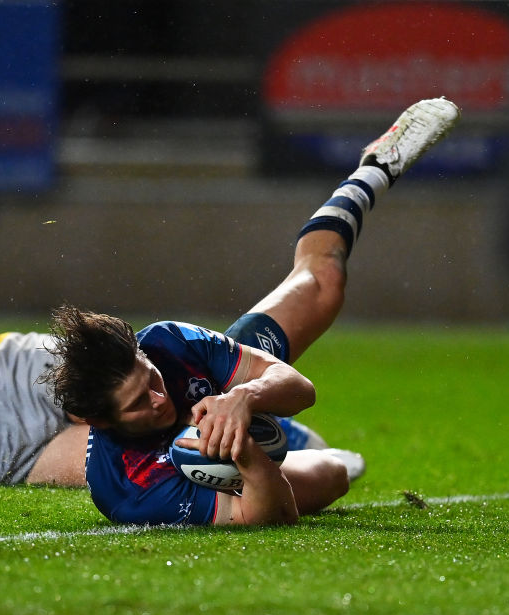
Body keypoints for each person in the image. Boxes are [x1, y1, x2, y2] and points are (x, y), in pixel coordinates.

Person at [42, 98, 462, 526]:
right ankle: (308, 450)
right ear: (99, 420)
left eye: (149, 377)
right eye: (136, 403)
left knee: (323, 282)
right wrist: (243, 453)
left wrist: (244, 397)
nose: (158, 395)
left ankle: (375, 167)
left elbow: (300, 390)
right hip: (223, 476)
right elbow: (268, 516)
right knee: (332, 476)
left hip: (231, 391)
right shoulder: (128, 489)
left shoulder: (167, 343)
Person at [0, 307, 328, 488]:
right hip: (5, 461)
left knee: (160, 389)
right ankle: (291, 457)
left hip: (10, 382)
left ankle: (265, 410)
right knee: (172, 463)